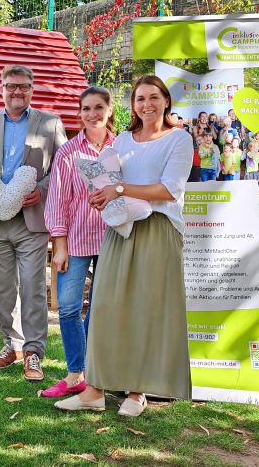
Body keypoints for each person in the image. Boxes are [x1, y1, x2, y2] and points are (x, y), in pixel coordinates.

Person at [55, 75, 193, 417]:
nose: (146, 104)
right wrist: (101, 196)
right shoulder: (124, 142)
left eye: (153, 97)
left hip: (158, 230)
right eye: (140, 98)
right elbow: (109, 182)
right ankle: (94, 391)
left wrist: (119, 191)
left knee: (144, 310)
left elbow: (169, 190)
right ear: (132, 105)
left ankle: (136, 392)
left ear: (166, 101)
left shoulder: (179, 140)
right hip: (120, 230)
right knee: (104, 307)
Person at [0, 65, 67, 381]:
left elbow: (63, 169)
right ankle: (11, 344)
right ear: (2, 88)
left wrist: (42, 190)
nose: (16, 92)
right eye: (10, 86)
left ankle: (33, 352)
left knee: (33, 287)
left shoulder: (50, 124)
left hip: (31, 221)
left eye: (22, 87)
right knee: (2, 289)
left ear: (31, 89)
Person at [40, 86, 115, 397]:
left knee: (101, 309)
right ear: (79, 114)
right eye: (86, 108)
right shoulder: (69, 152)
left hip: (115, 240)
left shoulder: (122, 149)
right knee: (69, 307)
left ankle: (94, 374)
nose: (92, 114)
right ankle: (75, 374)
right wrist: (59, 245)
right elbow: (57, 201)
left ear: (110, 111)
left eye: (99, 107)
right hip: (77, 239)